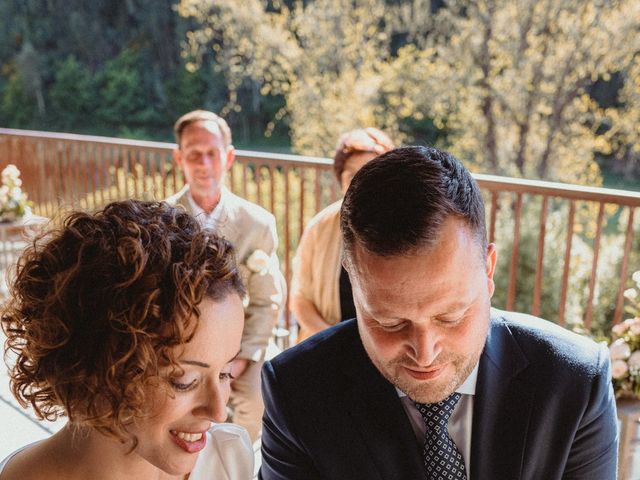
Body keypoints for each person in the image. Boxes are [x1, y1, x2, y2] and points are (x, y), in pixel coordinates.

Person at [259, 146, 618, 479]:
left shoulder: (574, 382)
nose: (424, 351)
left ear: (488, 271)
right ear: (352, 284)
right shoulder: (296, 392)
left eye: (451, 316)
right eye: (390, 321)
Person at [0, 200, 253, 479]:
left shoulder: (226, 459)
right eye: (184, 381)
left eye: (225, 373)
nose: (219, 412)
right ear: (94, 365)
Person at [167, 110, 284, 442]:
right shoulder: (162, 220)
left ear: (228, 157)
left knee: (260, 393)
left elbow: (266, 301)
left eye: (212, 153)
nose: (204, 163)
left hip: (240, 346)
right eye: (194, 154)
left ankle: (235, 463)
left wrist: (242, 358)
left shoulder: (257, 222)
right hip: (180, 345)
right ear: (179, 158)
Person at [290, 128, 393, 342]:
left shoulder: (405, 227)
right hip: (329, 342)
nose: (360, 182)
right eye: (352, 175)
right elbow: (300, 298)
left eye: (370, 173)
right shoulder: (320, 227)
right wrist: (331, 341)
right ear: (341, 179)